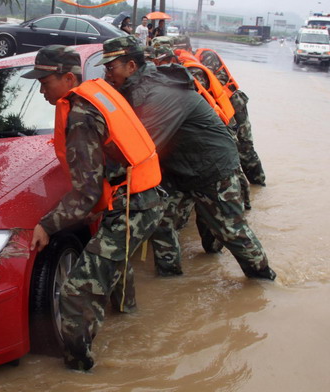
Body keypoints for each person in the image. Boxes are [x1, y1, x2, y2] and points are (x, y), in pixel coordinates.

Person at [24, 45, 163, 371]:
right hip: (145, 196)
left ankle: (78, 371)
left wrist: (47, 223)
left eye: (45, 82)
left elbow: (86, 195)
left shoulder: (81, 115)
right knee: (114, 261)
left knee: (76, 294)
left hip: (133, 205)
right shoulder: (98, 93)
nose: (41, 88)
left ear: (69, 77)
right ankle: (130, 319)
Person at [100, 36, 276, 280]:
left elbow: (140, 149)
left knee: (230, 233)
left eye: (111, 67)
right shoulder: (138, 87)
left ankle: (264, 280)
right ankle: (169, 278)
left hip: (212, 170)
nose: (107, 74)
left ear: (131, 66)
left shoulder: (159, 93)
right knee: (161, 218)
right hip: (179, 168)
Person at [197, 48, 266, 185]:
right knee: (231, 146)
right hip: (222, 107)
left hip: (234, 103)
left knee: (244, 146)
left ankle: (258, 182)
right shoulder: (191, 61)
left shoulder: (205, 56)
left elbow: (207, 81)